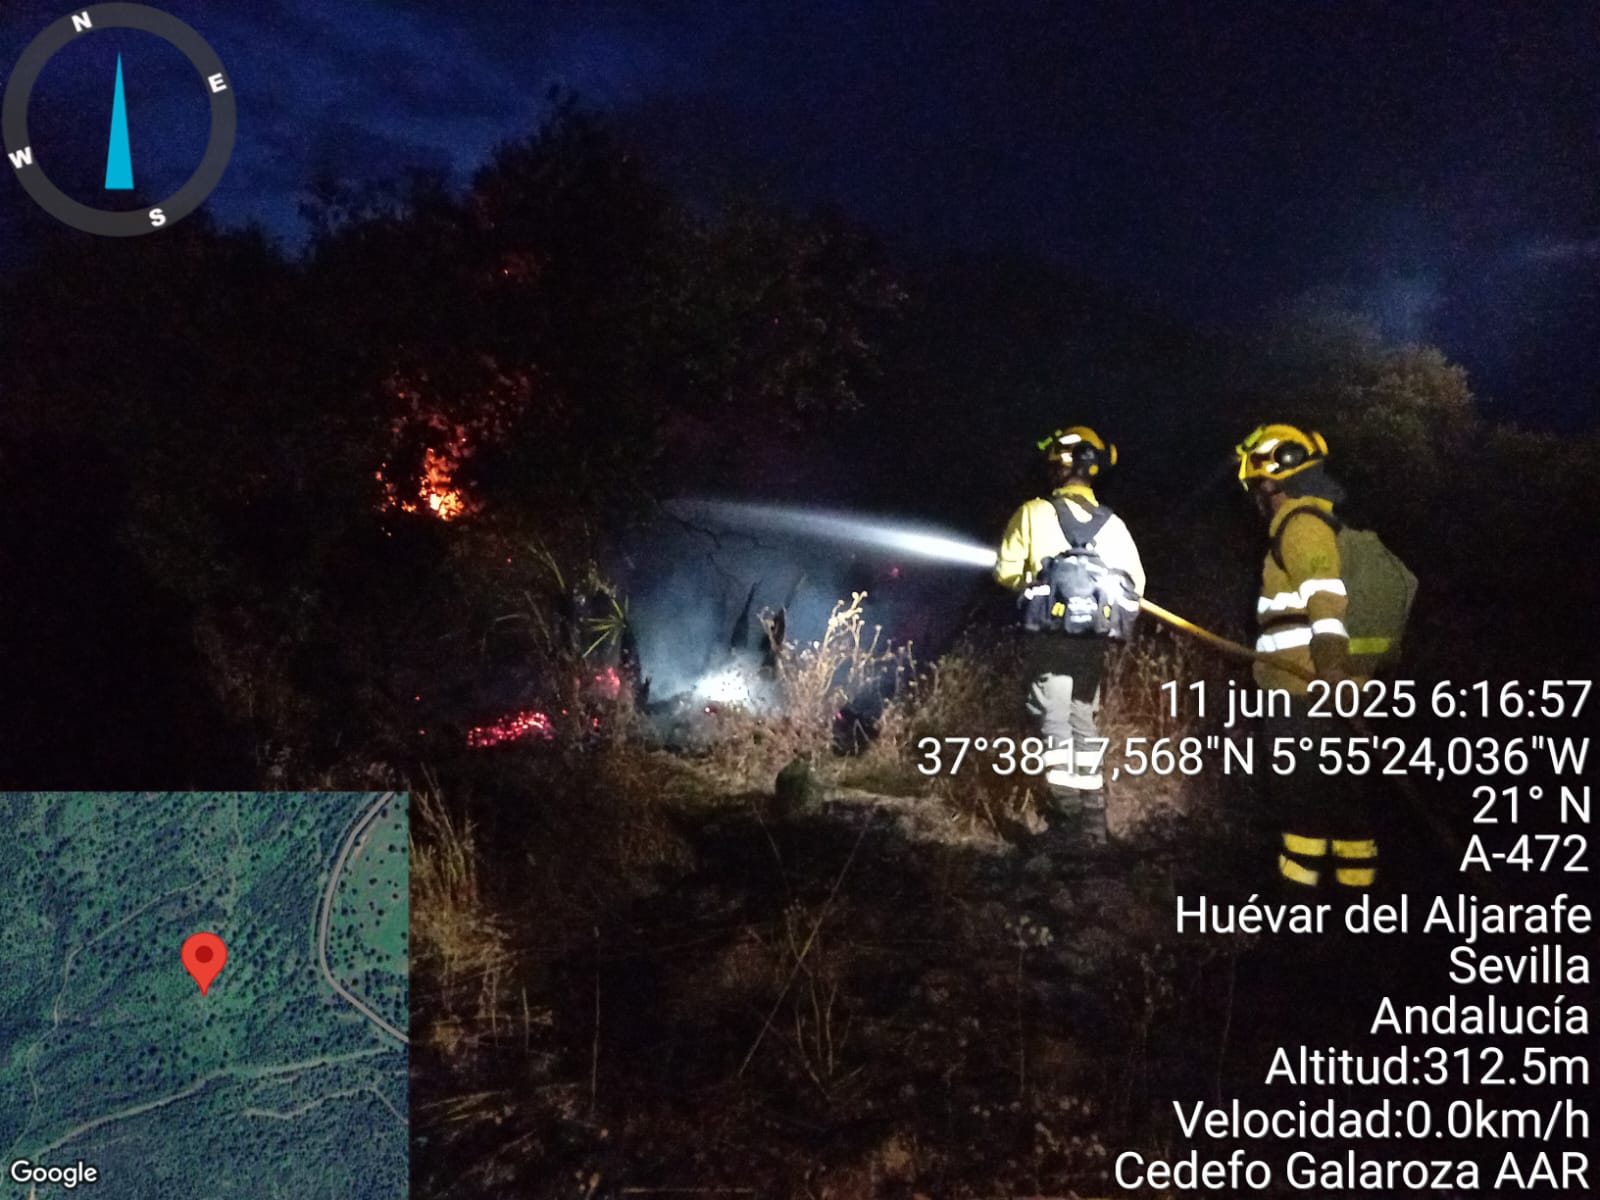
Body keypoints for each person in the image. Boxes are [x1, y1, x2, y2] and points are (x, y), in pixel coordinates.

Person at [1235, 423, 1377, 890]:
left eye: (1258, 483)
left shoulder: (1301, 527)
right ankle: (1356, 893)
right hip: (1322, 687)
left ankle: (1299, 897)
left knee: (1300, 795)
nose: (1257, 495)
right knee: (1339, 794)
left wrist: (1331, 668)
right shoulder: (1312, 525)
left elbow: (1326, 604)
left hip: (1303, 688)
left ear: (1278, 476)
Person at [995, 425, 1145, 847]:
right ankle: (1095, 821)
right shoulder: (1113, 525)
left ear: (1059, 466)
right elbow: (1137, 584)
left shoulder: (1032, 513)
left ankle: (1066, 819)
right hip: (1093, 641)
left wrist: (1037, 578)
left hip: (1050, 637)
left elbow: (1005, 571)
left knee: (1054, 719)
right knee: (1084, 718)